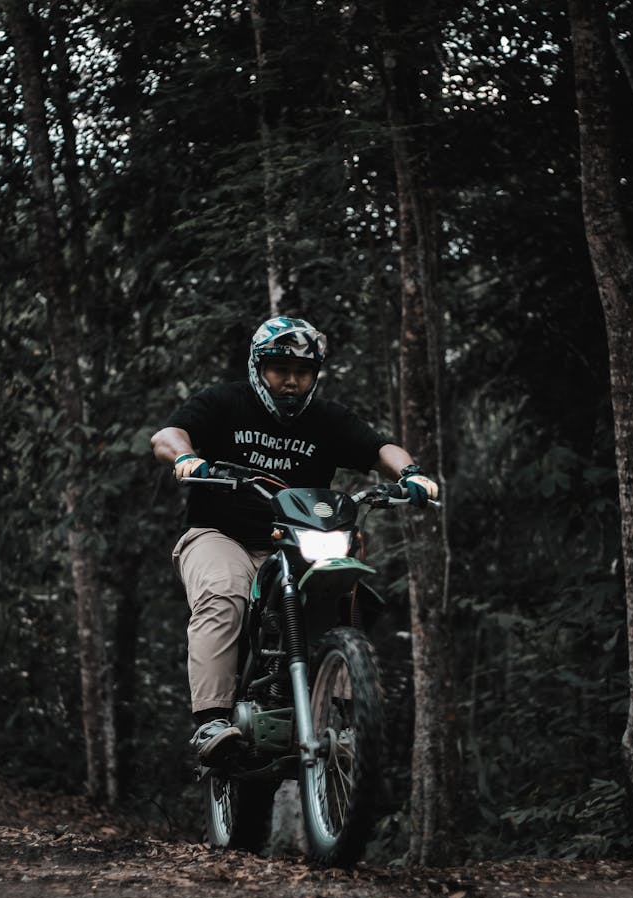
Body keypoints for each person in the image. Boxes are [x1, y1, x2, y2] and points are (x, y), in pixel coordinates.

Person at [151, 316, 438, 761]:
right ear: (257, 368)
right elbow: (167, 435)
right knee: (223, 592)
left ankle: (343, 719)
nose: (291, 382)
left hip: (295, 542)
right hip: (219, 536)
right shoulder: (225, 402)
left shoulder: (327, 420)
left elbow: (381, 448)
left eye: (302, 373)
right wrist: (188, 457)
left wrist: (411, 473)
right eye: (280, 369)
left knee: (345, 594)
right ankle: (211, 720)